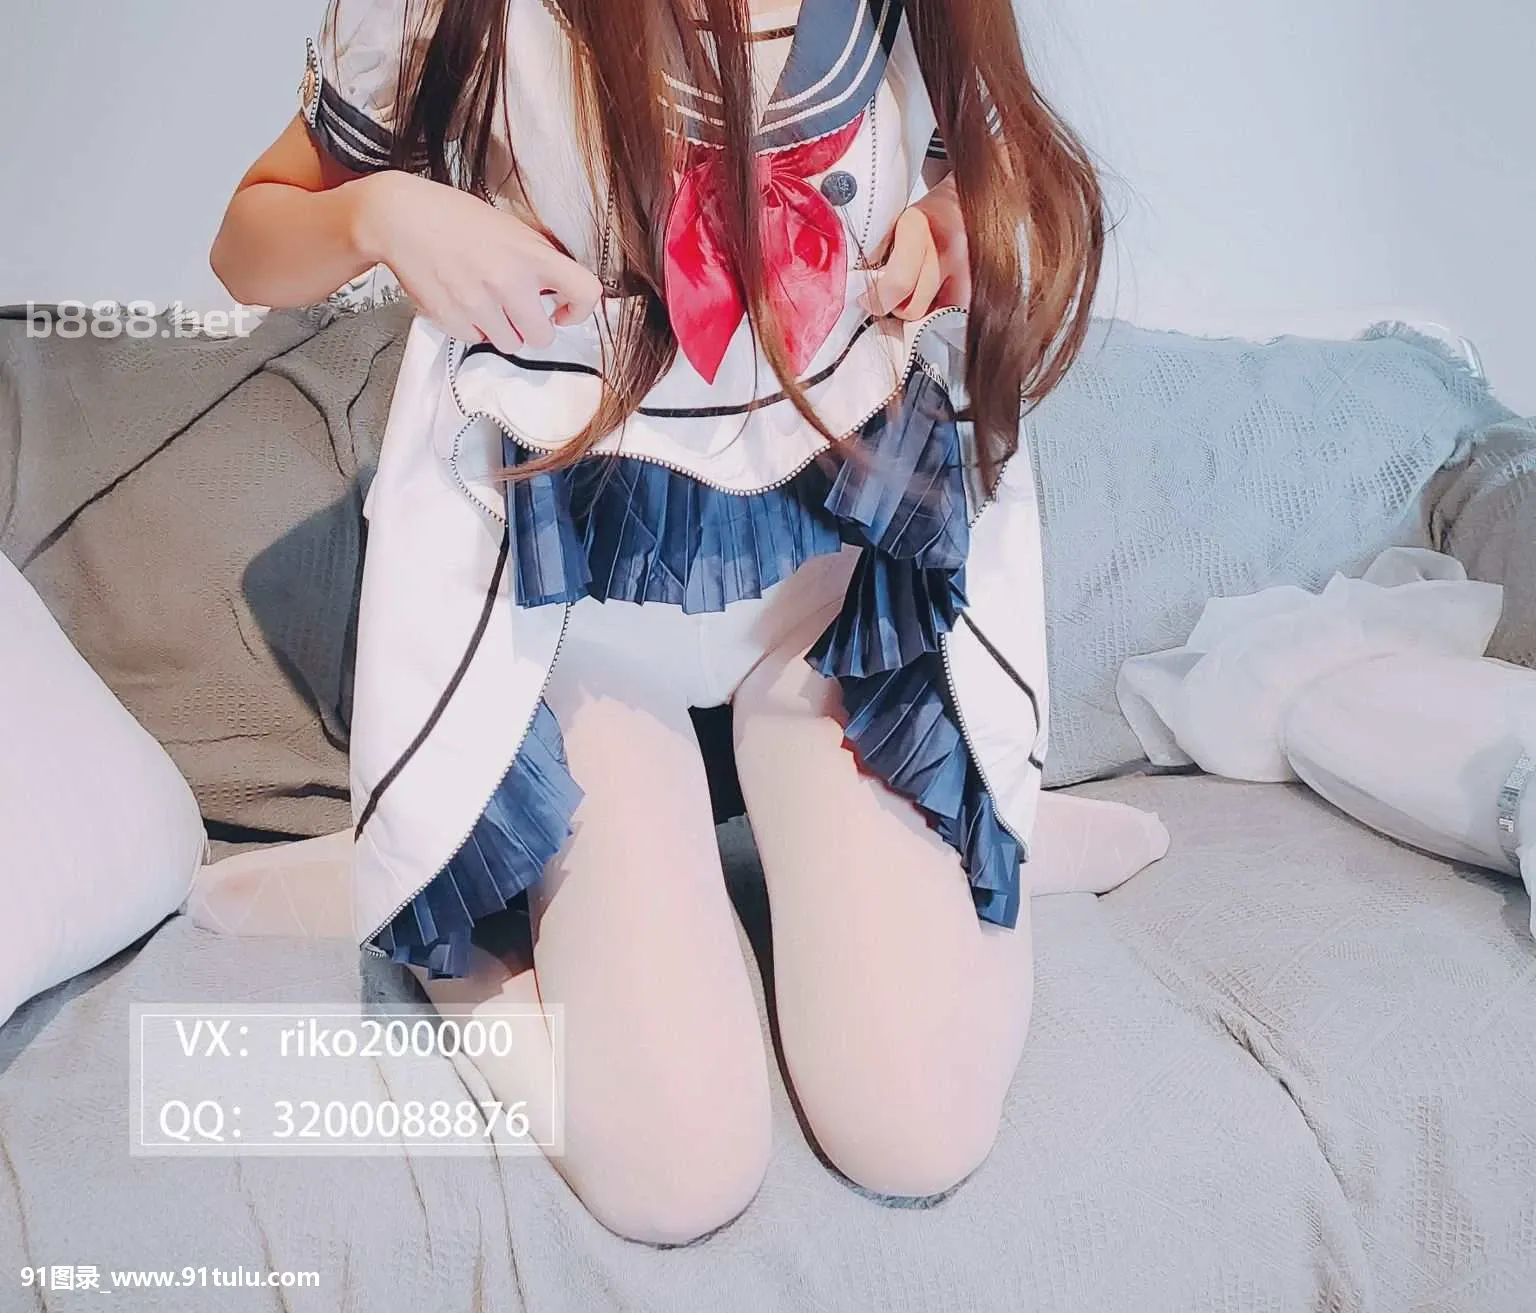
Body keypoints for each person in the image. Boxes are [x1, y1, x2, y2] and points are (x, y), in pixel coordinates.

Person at [211, 0, 1170, 1246]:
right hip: (578, 626)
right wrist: (380, 215)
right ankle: (428, 891)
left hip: (819, 604)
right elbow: (249, 244)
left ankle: (996, 832)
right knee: (674, 1175)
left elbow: (1007, 187)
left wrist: (952, 228)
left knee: (917, 1127)